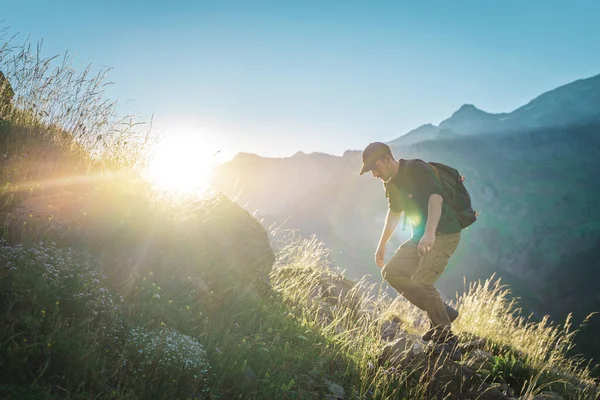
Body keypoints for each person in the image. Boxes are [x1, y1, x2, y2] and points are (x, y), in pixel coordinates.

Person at [359, 142, 462, 358]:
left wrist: (430, 232)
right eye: (371, 171)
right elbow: (394, 213)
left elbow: (436, 198)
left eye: (375, 168)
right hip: (421, 236)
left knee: (422, 281)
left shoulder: (416, 169)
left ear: (388, 159)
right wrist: (382, 244)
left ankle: (447, 339)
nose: (374, 174)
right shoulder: (391, 183)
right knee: (391, 272)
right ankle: (443, 312)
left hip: (444, 233)